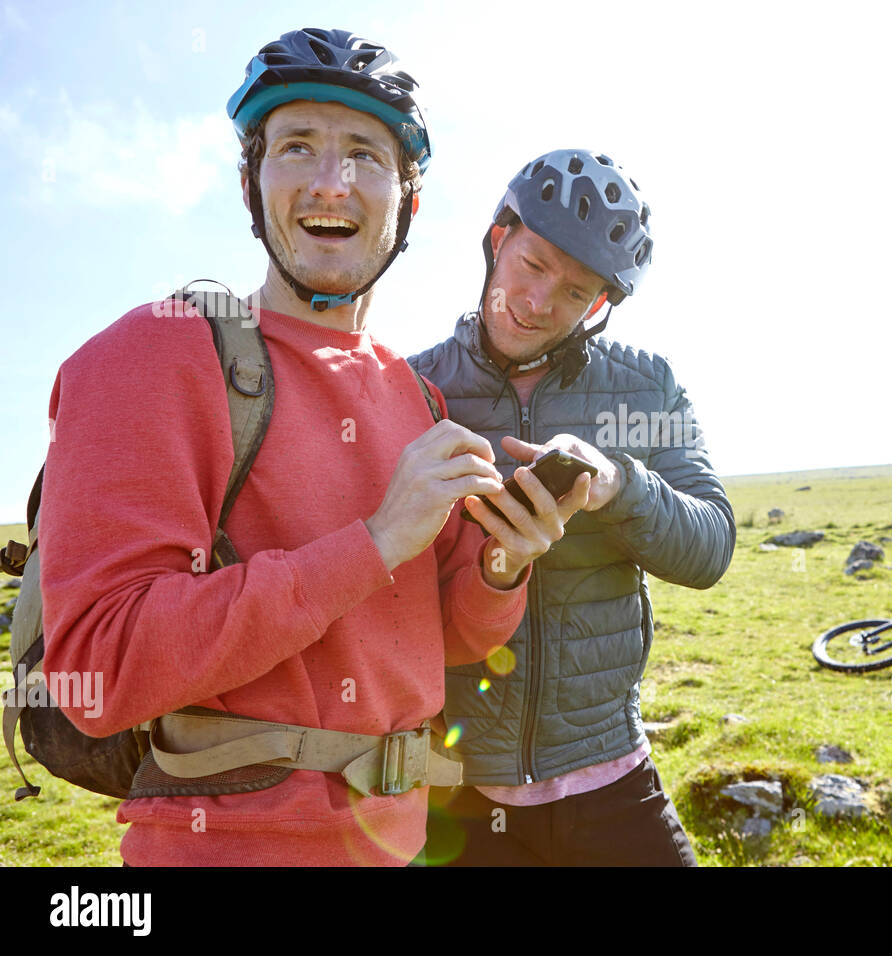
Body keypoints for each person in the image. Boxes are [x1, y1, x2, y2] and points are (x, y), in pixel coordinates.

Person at [38, 29, 586, 867]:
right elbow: (98, 669)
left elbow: (442, 637)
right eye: (297, 146)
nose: (332, 181)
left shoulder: (415, 393)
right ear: (252, 182)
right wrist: (371, 544)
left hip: (400, 844)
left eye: (367, 154)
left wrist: (502, 566)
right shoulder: (156, 353)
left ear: (408, 200)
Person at [409, 149, 735, 866]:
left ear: (599, 306)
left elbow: (712, 547)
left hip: (611, 773)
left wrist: (620, 484)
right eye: (532, 265)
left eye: (574, 291)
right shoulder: (410, 388)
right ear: (499, 241)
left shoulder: (648, 387)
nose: (537, 302)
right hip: (458, 787)